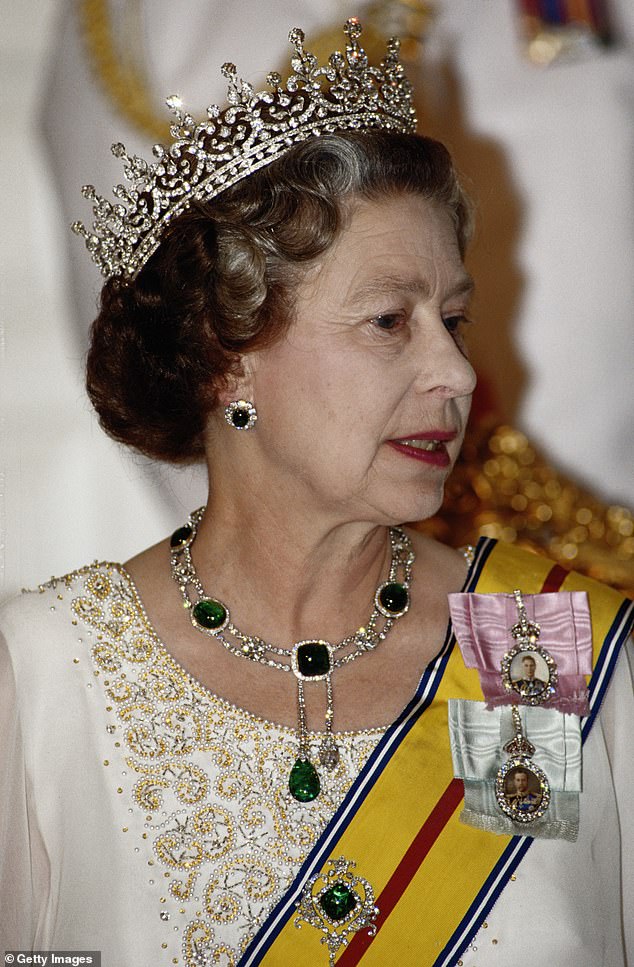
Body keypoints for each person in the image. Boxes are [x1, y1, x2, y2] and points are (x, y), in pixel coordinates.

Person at [0, 19, 632, 967]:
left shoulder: (531, 641)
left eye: (454, 319)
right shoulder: (45, 674)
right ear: (229, 361)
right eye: (390, 321)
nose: (456, 373)